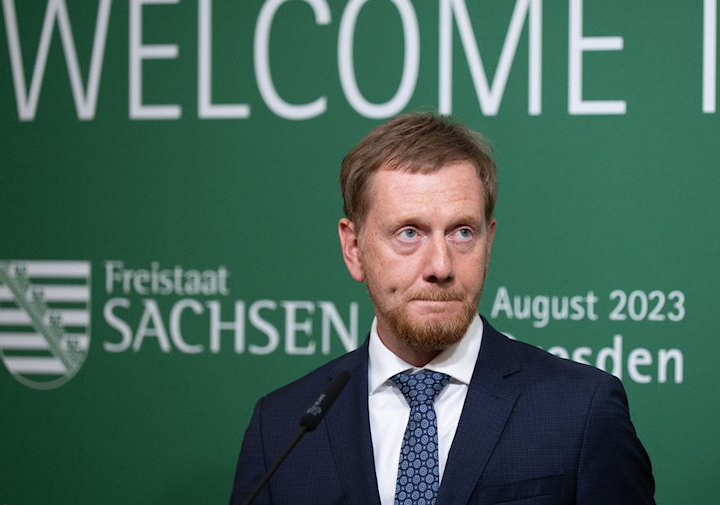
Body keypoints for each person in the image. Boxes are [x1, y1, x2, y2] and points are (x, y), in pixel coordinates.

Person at [230, 112, 656, 505]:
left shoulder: (579, 411)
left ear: (489, 244)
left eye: (462, 233)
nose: (440, 266)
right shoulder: (283, 428)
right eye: (409, 233)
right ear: (354, 247)